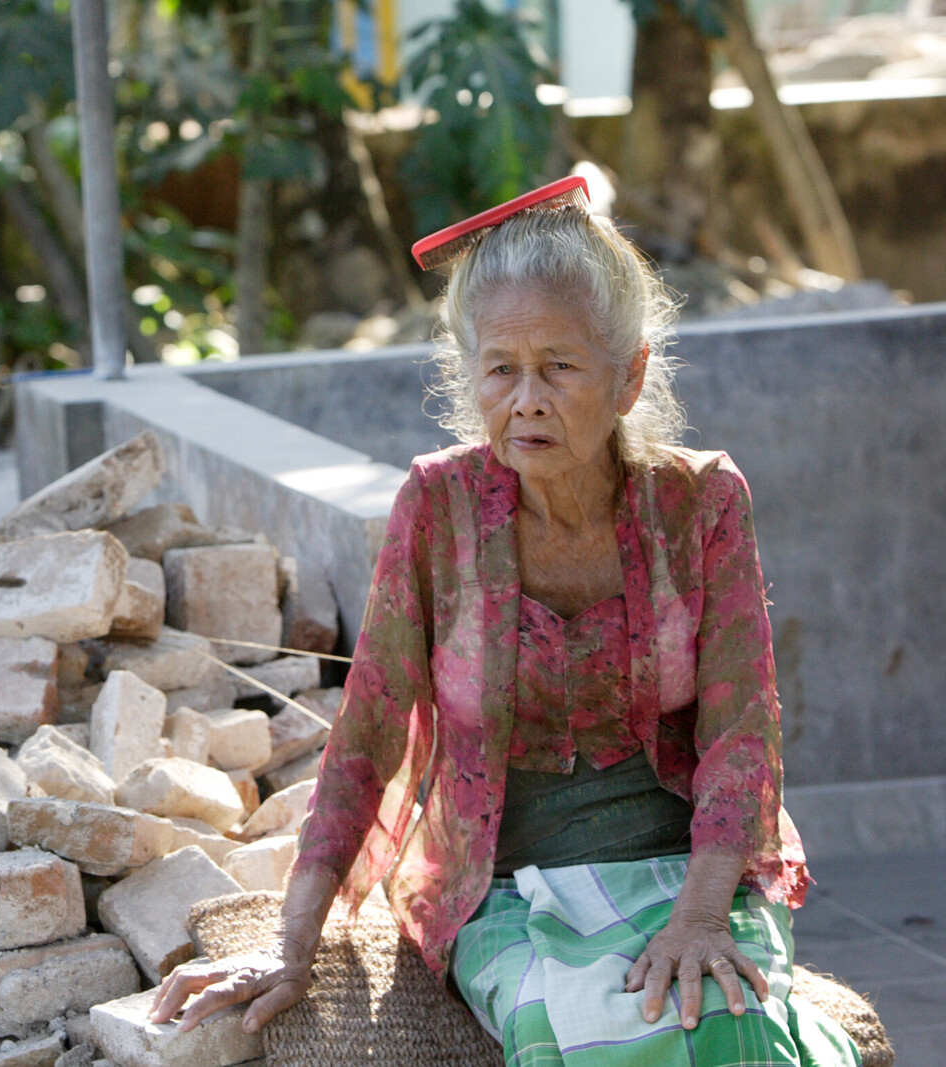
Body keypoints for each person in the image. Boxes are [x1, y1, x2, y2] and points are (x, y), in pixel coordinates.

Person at [149, 178, 862, 1066]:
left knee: (723, 1017)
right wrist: (292, 947)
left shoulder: (700, 500)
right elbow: (367, 733)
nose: (527, 398)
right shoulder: (438, 506)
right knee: (589, 1035)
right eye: (500, 368)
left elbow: (741, 732)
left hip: (691, 869)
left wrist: (702, 916)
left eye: (560, 366)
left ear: (629, 374)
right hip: (506, 886)